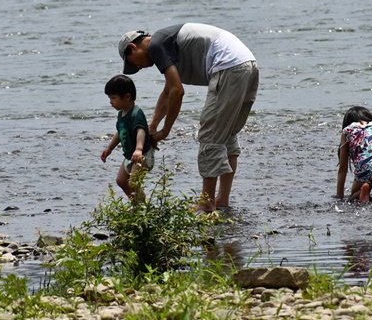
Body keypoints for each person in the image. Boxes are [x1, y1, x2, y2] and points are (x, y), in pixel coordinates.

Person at [117, 23, 259, 213]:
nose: (139, 67)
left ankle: (207, 202)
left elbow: (177, 90)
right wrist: (153, 126)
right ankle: (222, 199)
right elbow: (168, 91)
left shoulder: (156, 45)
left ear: (133, 47)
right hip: (248, 64)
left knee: (210, 136)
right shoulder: (167, 41)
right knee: (227, 135)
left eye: (134, 63)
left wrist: (165, 130)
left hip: (229, 67)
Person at [101, 74, 155, 202]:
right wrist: (109, 148)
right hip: (129, 156)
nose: (110, 102)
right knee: (121, 181)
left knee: (133, 183)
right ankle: (137, 204)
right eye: (109, 98)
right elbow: (120, 132)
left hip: (142, 155)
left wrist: (138, 149)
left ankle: (142, 208)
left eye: (113, 98)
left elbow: (141, 131)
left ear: (127, 97)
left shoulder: (136, 113)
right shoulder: (121, 114)